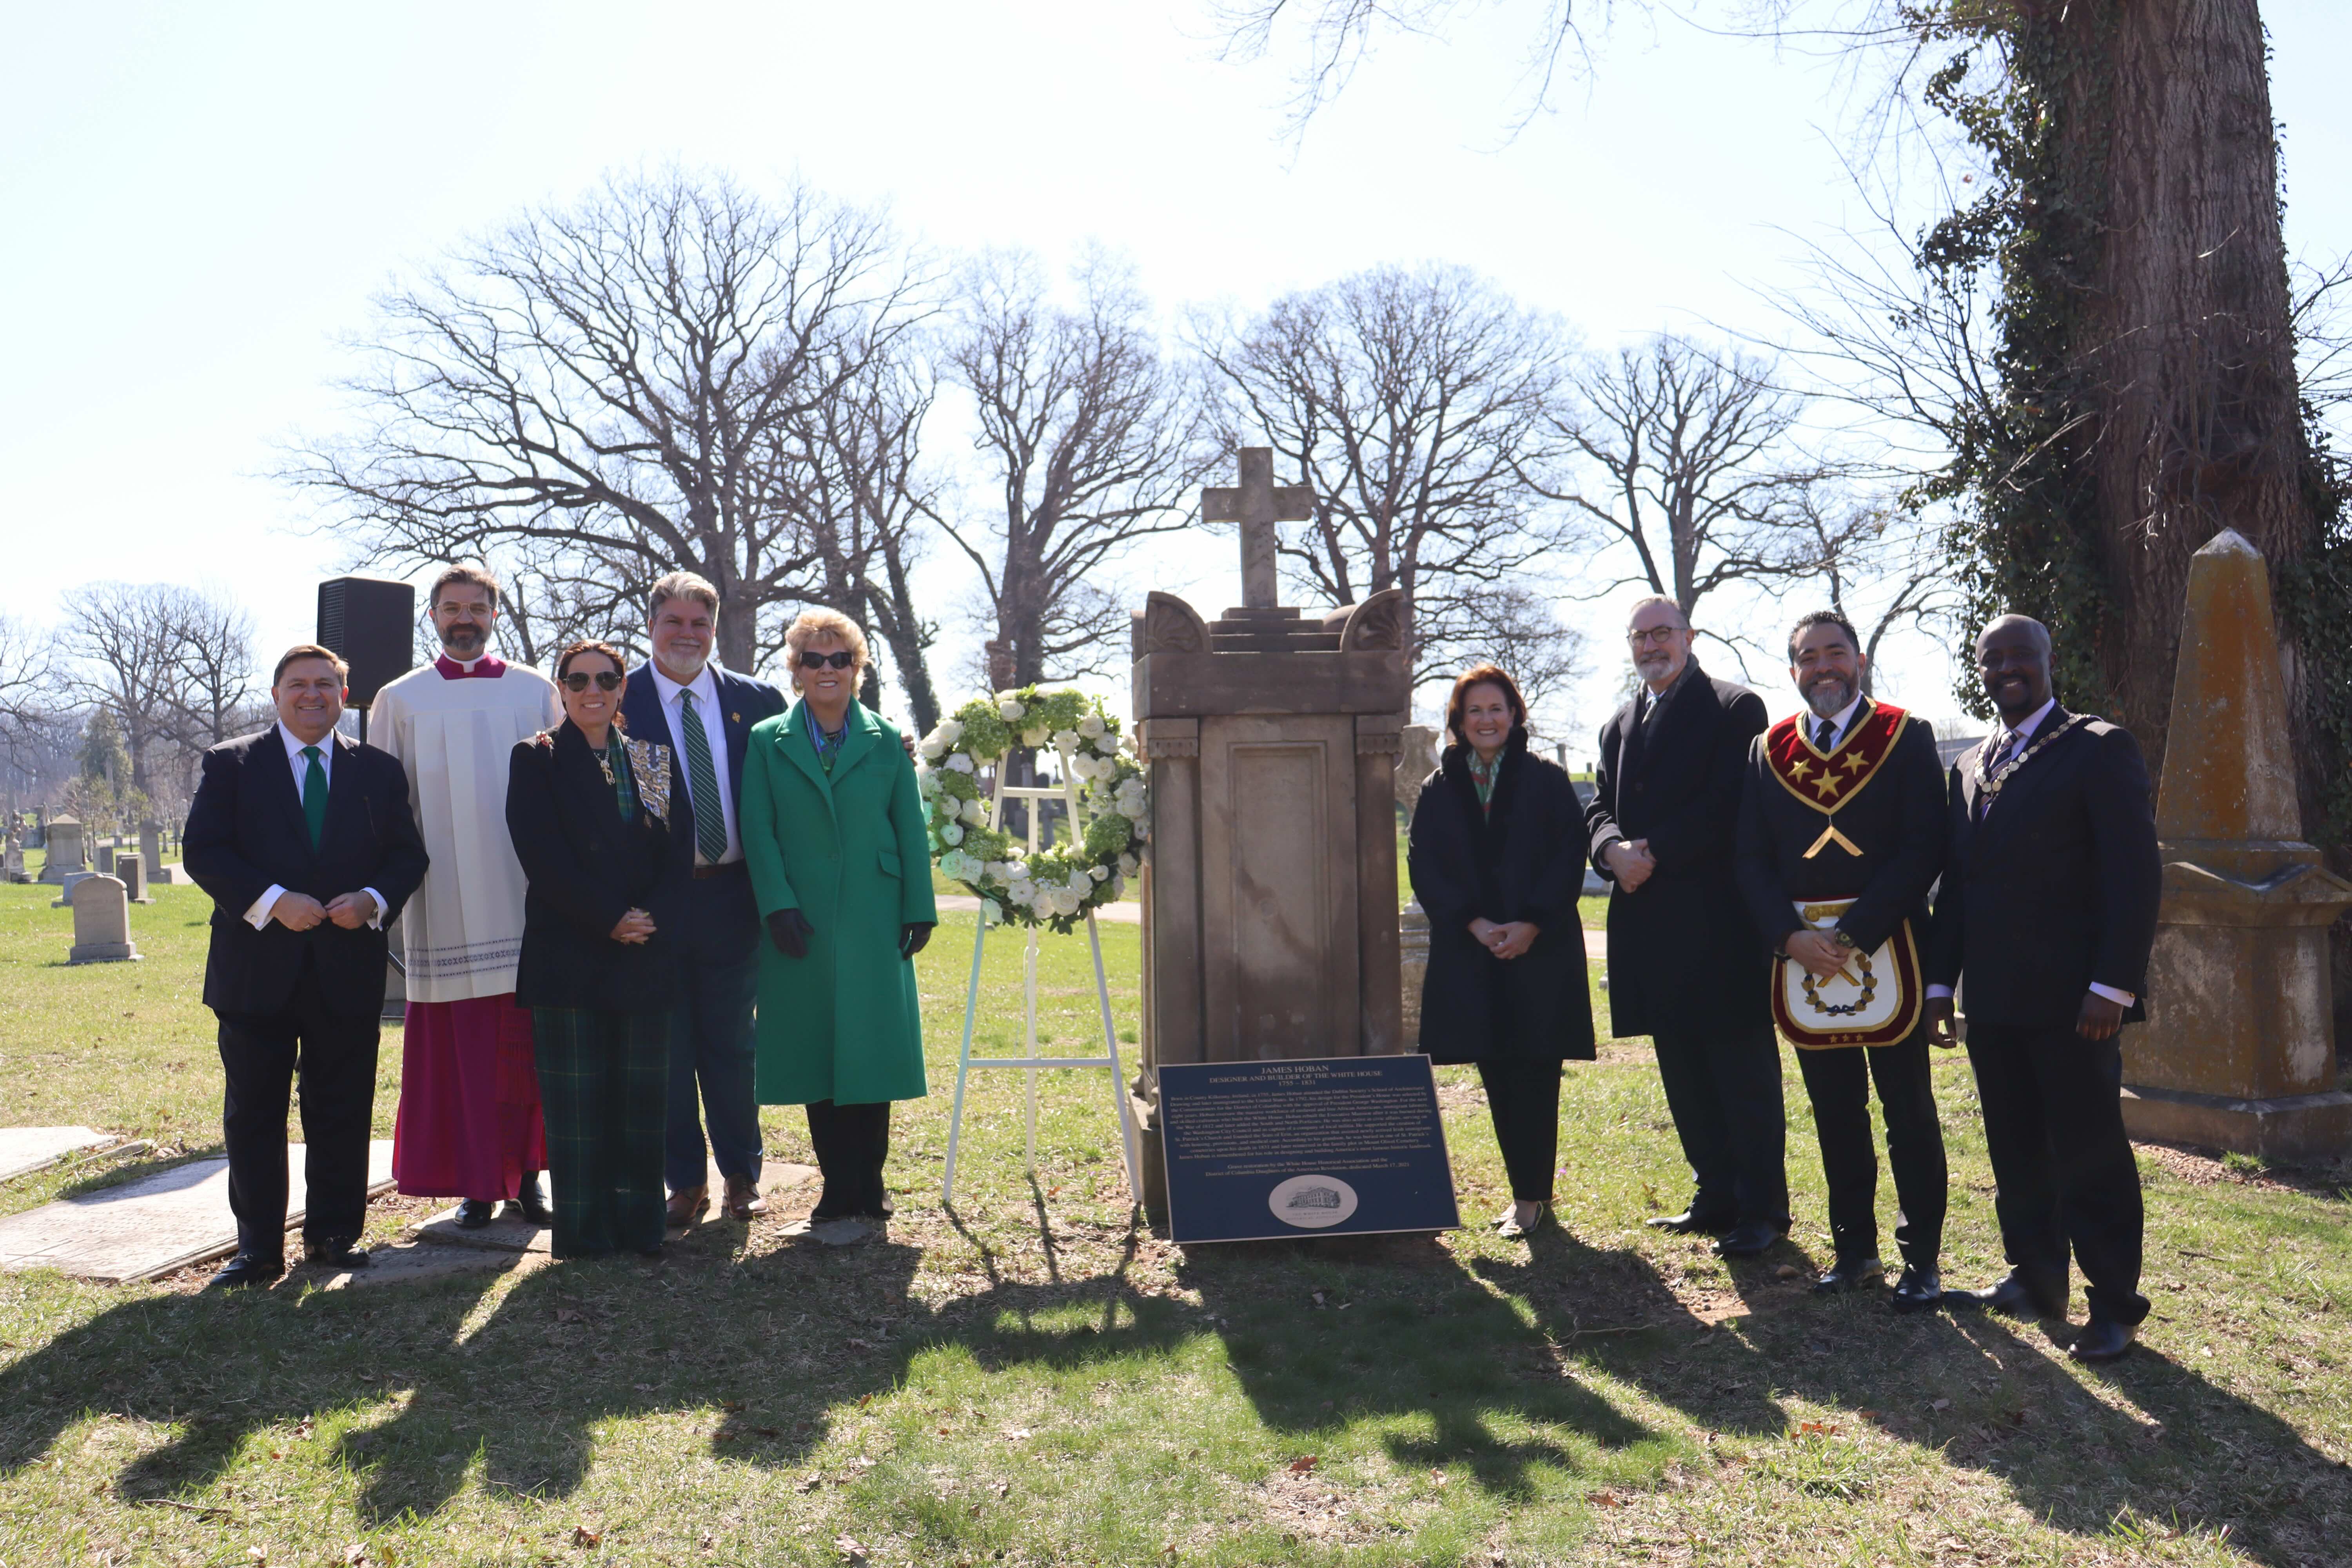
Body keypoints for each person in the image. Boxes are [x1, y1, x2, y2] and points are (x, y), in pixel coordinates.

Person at [1927, 615, 2161, 1363]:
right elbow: (1957, 891)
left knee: (2087, 1150)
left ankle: (2115, 1303)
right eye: (1991, 659)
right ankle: (2036, 1279)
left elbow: (2135, 874)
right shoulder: (1970, 766)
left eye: (2020, 655)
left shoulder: (2097, 748)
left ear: (2049, 660)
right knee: (2016, 1147)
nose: (2006, 669)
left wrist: (2114, 985)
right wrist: (1940, 984)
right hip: (1992, 1002)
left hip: (2074, 1002)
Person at [181, 646, 428, 1288]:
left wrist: (373, 900)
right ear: (276, 694)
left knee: (341, 1107)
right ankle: (258, 1248)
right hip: (254, 970)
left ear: (344, 696)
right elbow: (204, 851)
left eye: (326, 685)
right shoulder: (232, 764)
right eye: (299, 685)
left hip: (346, 966)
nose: (312, 695)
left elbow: (407, 857)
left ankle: (333, 1236)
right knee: (255, 1112)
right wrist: (272, 902)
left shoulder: (377, 770)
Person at [1736, 611, 1949, 1311]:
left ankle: (1923, 1259)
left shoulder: (1904, 733)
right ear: (1792, 668)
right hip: (1803, 961)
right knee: (1835, 1111)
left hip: (1889, 952)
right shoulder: (1767, 750)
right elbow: (1751, 859)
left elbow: (1923, 847)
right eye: (1808, 657)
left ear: (1858, 659)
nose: (1823, 667)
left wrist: (1855, 934)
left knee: (1909, 1111)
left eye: (1835, 653)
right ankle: (1855, 1248)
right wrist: (1788, 939)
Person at [1587, 596, 1788, 1258]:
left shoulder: (1736, 708)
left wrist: (1651, 853)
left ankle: (1763, 1210)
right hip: (1648, 926)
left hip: (1719, 924)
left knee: (1741, 1072)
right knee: (1682, 1070)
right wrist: (1611, 850)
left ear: (1690, 637)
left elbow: (1730, 801)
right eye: (1639, 637)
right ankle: (1715, 1196)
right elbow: (1597, 807)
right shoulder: (1618, 724)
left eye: (1662, 633)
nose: (1651, 646)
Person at [372, 564, 563, 1228]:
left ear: (494, 614)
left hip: (526, 894)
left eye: (477, 608)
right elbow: (382, 807)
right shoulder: (401, 699)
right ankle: (476, 1183)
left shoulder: (536, 691)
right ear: (433, 617)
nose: (465, 618)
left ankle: (530, 1177)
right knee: (465, 1051)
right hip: (441, 897)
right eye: (452, 607)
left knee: (526, 1046)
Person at [739, 608, 936, 1240]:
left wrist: (919, 908)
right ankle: (833, 1188)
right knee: (815, 1050)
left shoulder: (887, 740)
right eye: (813, 659)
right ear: (795, 670)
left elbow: (909, 825)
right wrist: (776, 903)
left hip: (874, 915)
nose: (827, 670)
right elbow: (758, 828)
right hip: (799, 918)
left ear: (858, 668)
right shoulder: (767, 739)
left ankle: (869, 1185)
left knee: (870, 1048)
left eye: (840, 658)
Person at [506, 641, 691, 1259]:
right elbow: (543, 858)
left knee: (641, 1105)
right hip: (571, 956)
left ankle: (640, 1229)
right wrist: (609, 918)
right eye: (579, 679)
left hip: (645, 953)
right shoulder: (537, 758)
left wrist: (648, 920)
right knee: (578, 1109)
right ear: (561, 687)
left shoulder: (653, 761)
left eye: (607, 679)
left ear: (621, 690)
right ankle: (584, 1234)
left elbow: (676, 855)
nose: (593, 689)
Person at [616, 572, 788, 1227]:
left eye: (700, 623)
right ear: (651, 624)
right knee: (667, 1049)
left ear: (714, 629)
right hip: (654, 905)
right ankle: (684, 1182)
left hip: (733, 899)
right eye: (674, 622)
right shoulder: (617, 696)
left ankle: (742, 1174)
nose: (687, 634)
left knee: (732, 1047)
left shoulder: (757, 699)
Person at [1406, 664, 1596, 1239]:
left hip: (1540, 951)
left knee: (1537, 1072)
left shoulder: (1547, 779)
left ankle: (1532, 1198)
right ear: (1458, 723)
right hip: (1474, 951)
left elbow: (1569, 857)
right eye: (1474, 712)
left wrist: (1531, 924)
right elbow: (1425, 864)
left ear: (1515, 715)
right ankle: (1524, 1192)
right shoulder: (1439, 788)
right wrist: (1476, 922)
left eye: (1496, 709)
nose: (1486, 720)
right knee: (1497, 1073)